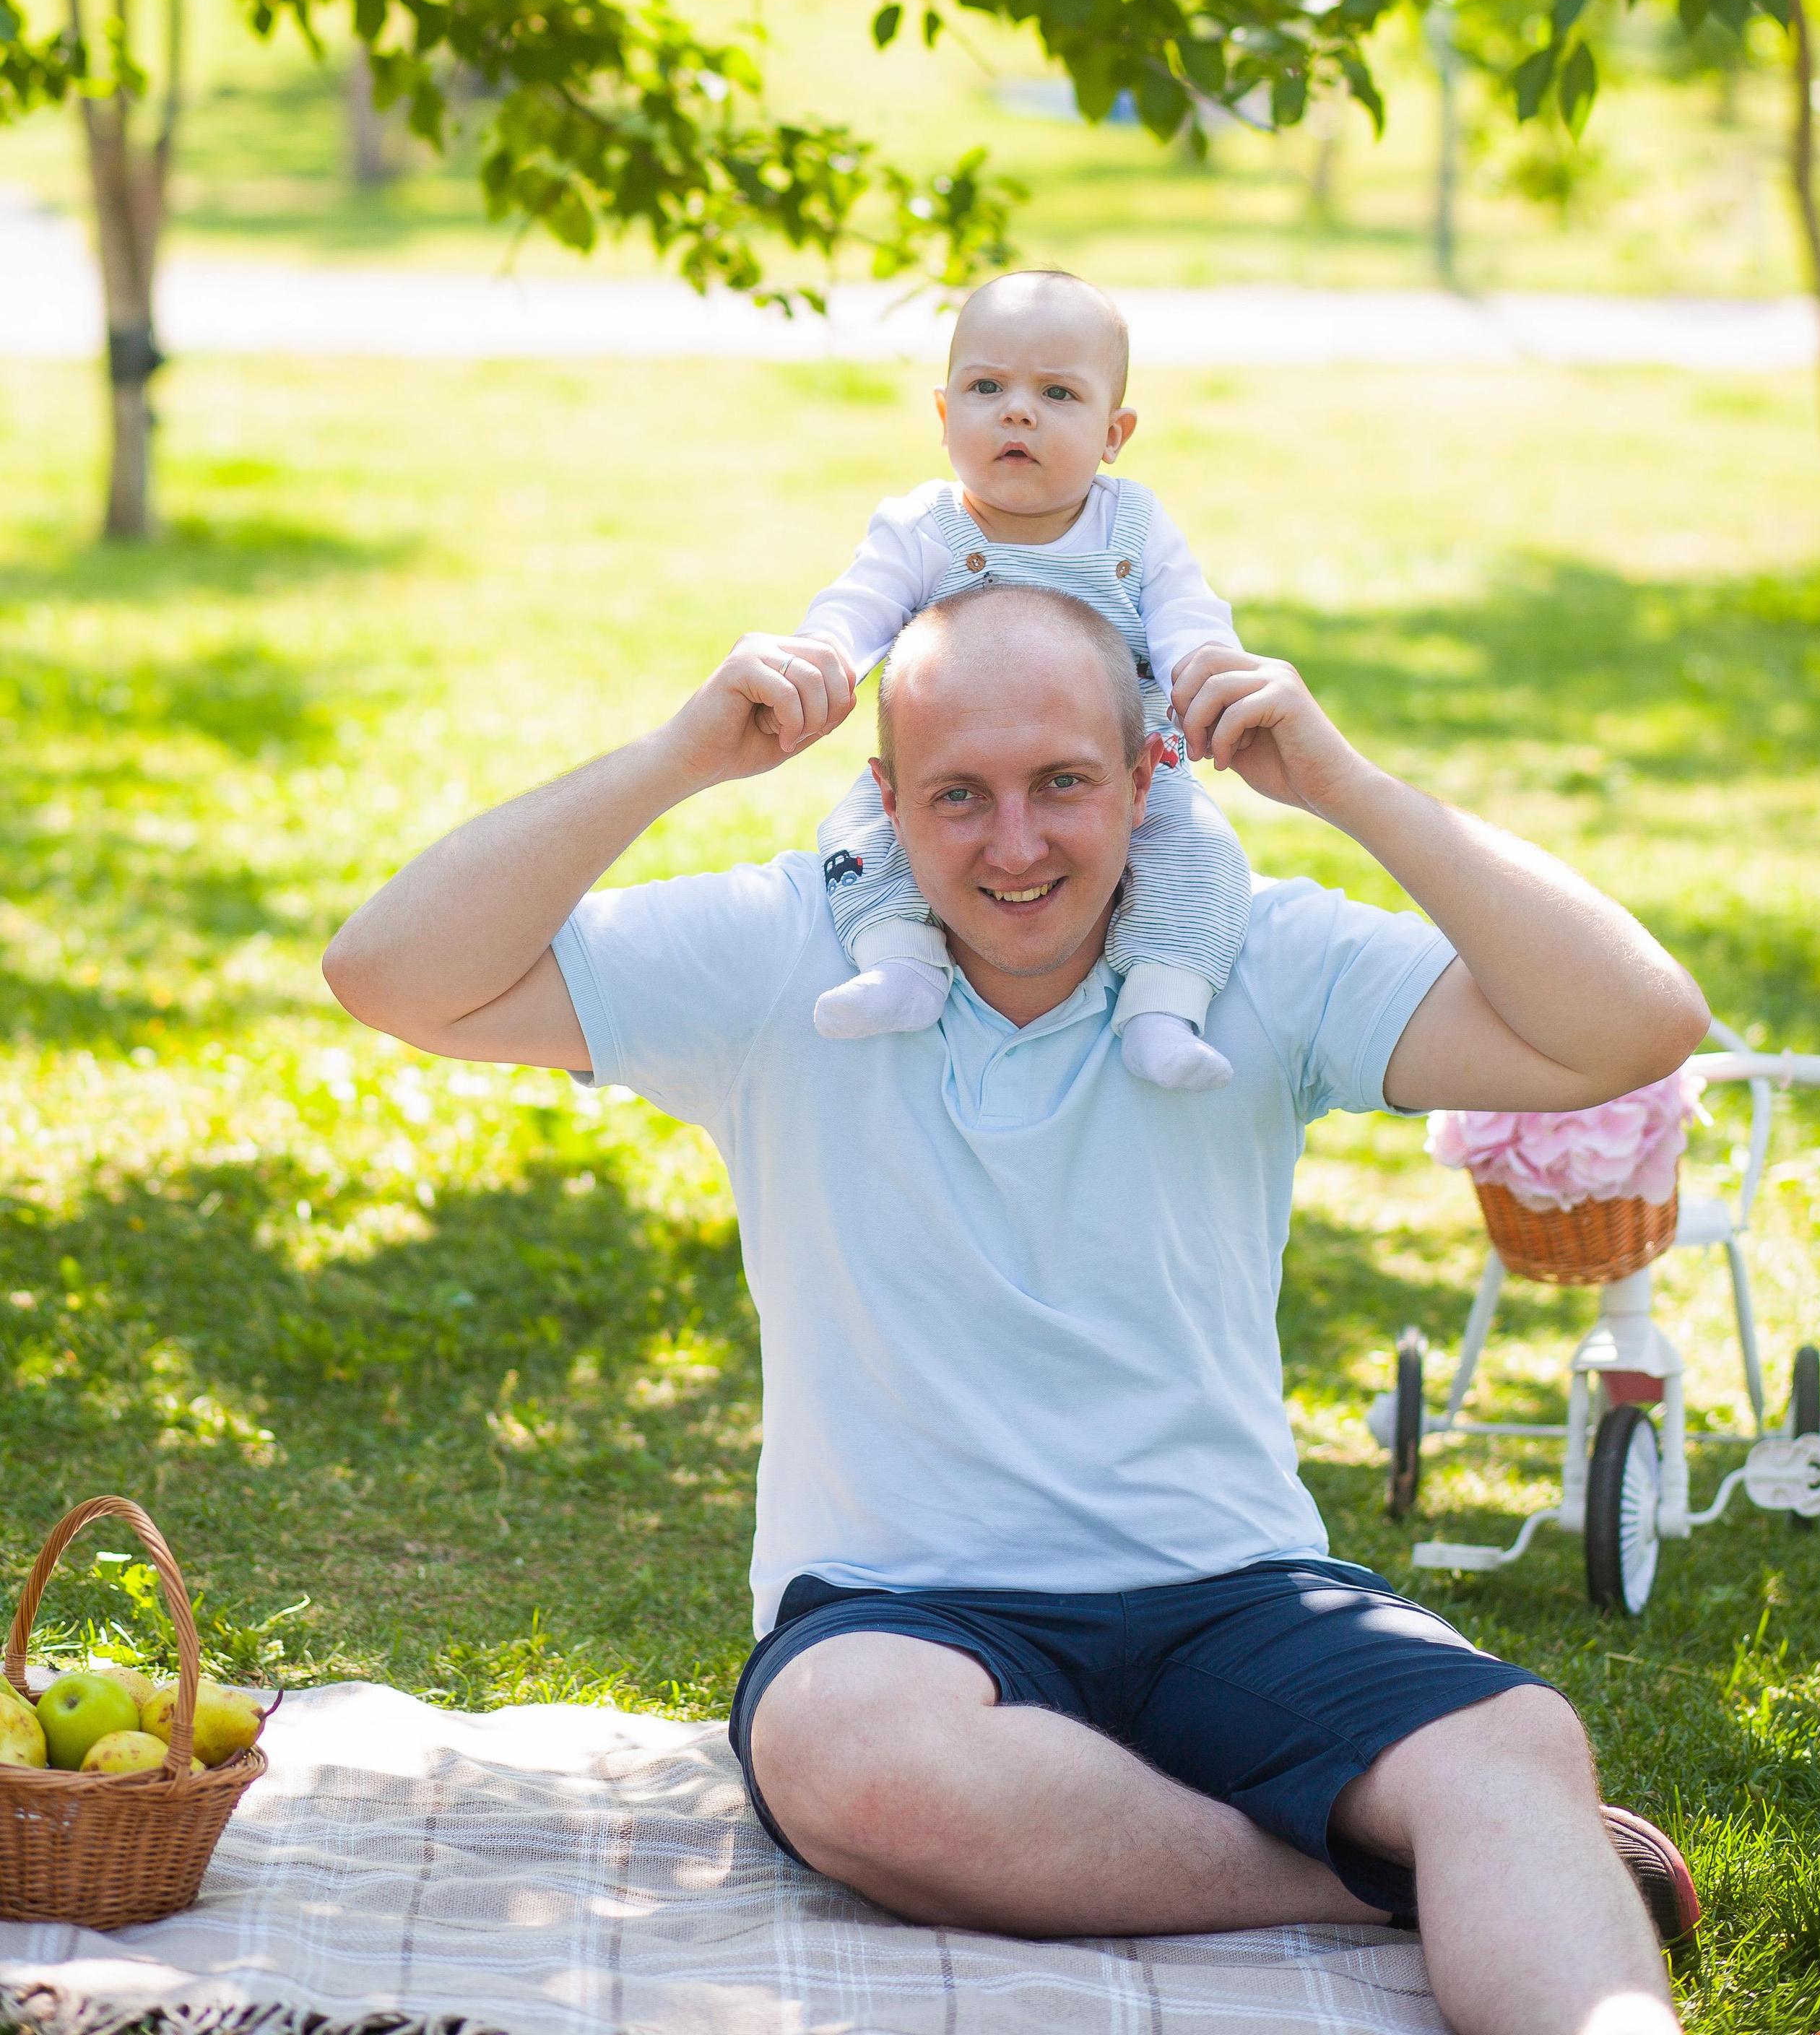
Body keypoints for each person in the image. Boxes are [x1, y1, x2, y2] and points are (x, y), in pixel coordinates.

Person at [324, 581, 1711, 2035]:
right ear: (883, 798)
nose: (1014, 845)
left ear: (1145, 776)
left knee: (1507, 1746)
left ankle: (1473, 1863)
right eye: (956, 795)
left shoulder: (1254, 954)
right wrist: (680, 757)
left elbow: (1632, 1024)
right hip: (898, 1613)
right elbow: (389, 972)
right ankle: (1360, 1871)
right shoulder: (785, 953)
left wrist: (1346, 787)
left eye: (1061, 783)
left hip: (1226, 1590)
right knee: (849, 1761)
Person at [792, 266, 1252, 1095]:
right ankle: (899, 964)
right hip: (951, 777)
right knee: (862, 834)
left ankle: (1162, 1005)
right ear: (943, 415)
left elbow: (1190, 616)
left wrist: (1205, 669)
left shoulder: (1133, 527)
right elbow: (854, 607)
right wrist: (824, 656)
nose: (1017, 410)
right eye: (986, 386)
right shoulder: (921, 529)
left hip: (1124, 771)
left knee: (1203, 856)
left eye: (1058, 394)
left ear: (1115, 433)